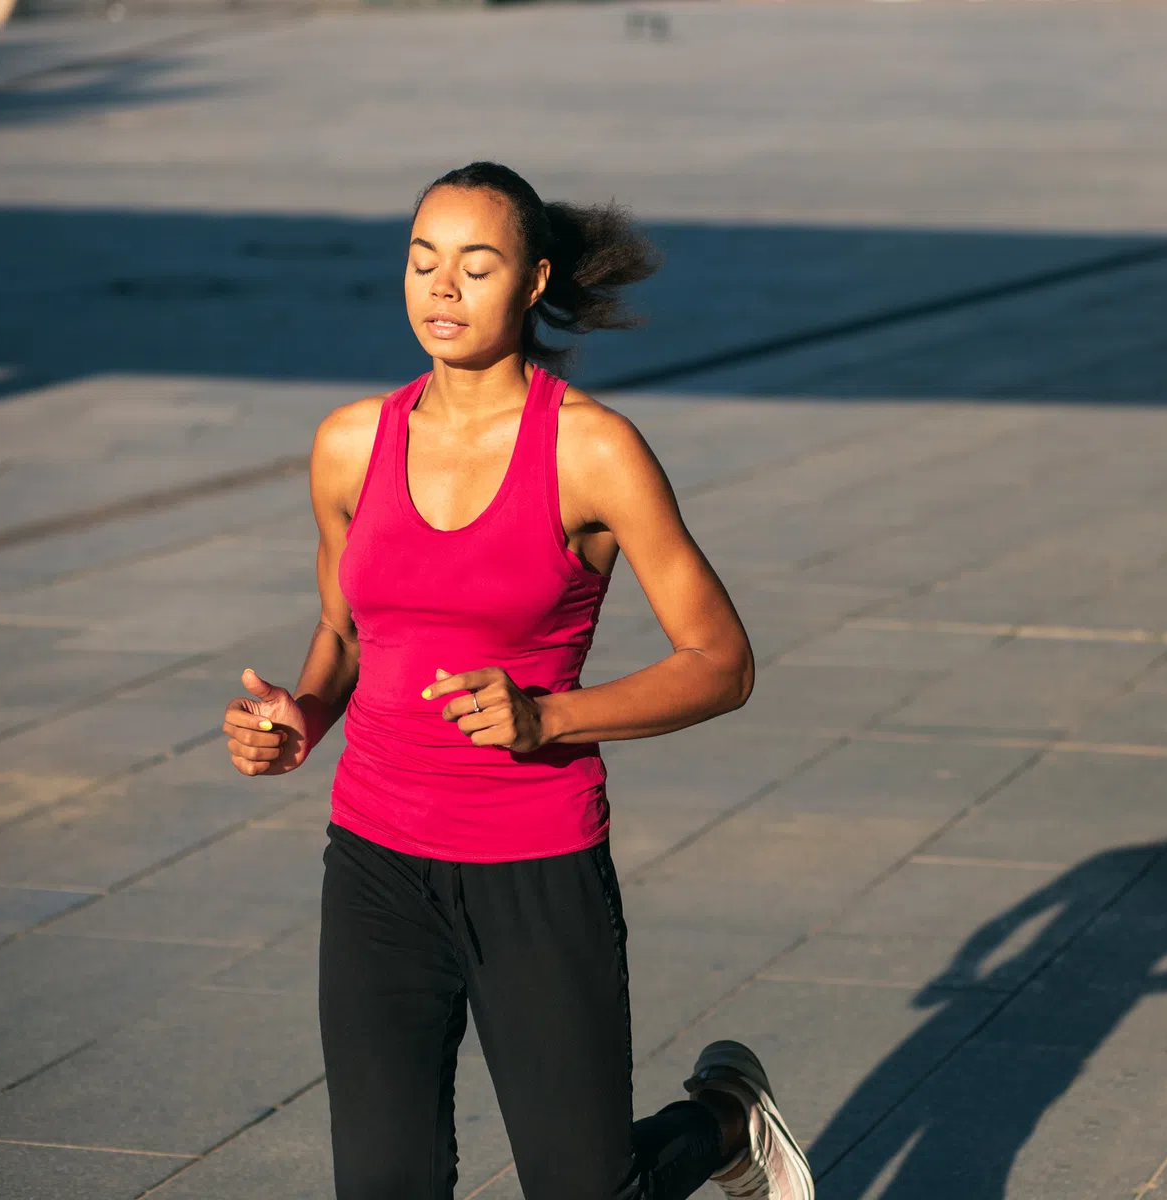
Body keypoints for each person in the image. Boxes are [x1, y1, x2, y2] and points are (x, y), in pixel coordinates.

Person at [220, 161, 813, 1200]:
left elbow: (723, 663)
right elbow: (344, 633)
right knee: (382, 1183)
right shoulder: (351, 444)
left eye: (475, 265)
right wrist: (298, 719)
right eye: (422, 261)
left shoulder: (591, 451)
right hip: (375, 863)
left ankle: (725, 1123)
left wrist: (549, 717)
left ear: (533, 282)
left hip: (533, 864)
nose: (441, 289)